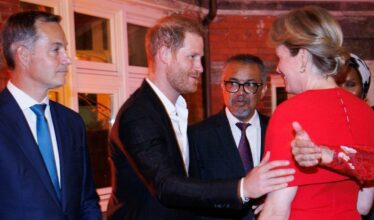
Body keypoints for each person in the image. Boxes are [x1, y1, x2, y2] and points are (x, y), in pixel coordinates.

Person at [107, 15, 295, 220]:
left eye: (201, 58)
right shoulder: (138, 115)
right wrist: (243, 188)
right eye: (192, 57)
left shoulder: (175, 111)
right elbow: (166, 186)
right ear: (165, 54)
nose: (200, 68)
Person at [258, 6, 374, 220]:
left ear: (303, 57)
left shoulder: (290, 113)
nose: (278, 67)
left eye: (281, 57)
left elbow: (277, 211)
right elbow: (363, 205)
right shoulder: (368, 114)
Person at [0, 11, 101, 219]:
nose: (67, 60)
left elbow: (87, 199)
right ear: (24, 55)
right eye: (56, 49)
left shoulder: (72, 123)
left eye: (65, 49)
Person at [291, 53, 374, 219]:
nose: (342, 90)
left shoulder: (371, 122)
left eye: (351, 84)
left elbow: (364, 205)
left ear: (364, 88)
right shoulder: (310, 124)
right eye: (338, 84)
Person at [189, 54, 269, 220]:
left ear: (263, 90)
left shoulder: (278, 131)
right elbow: (192, 197)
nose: (240, 93)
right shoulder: (197, 136)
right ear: (222, 87)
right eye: (232, 83)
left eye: (250, 85)